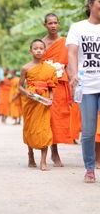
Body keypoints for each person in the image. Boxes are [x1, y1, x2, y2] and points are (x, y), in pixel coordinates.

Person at [66, 0, 100, 183]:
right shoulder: (78, 28)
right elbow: (72, 53)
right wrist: (73, 75)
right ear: (90, 4)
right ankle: (89, 168)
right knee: (88, 131)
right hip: (86, 85)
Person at [18, 39, 58, 171]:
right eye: (36, 48)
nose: (39, 50)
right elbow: (20, 87)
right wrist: (26, 93)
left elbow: (51, 87)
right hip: (31, 101)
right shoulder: (26, 68)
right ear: (31, 51)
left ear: (45, 50)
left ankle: (43, 162)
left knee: (44, 129)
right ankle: (30, 155)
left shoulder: (50, 69)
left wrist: (51, 98)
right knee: (30, 127)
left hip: (44, 101)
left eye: (41, 48)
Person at [41, 13, 74, 167]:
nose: (53, 26)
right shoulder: (41, 44)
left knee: (58, 118)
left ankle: (55, 151)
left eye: (55, 23)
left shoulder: (65, 43)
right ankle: (50, 152)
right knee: (46, 119)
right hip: (45, 86)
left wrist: (73, 86)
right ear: (45, 25)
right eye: (50, 23)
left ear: (59, 24)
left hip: (60, 85)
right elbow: (36, 64)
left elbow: (69, 65)